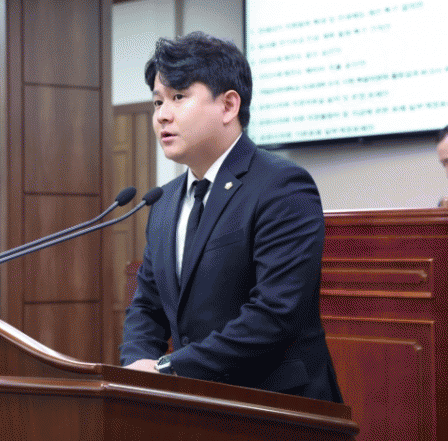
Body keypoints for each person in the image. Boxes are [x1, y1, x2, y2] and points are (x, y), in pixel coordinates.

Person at [120, 32, 343, 403]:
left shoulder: (282, 186)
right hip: (196, 406)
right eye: (158, 101)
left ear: (228, 106)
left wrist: (170, 368)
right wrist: (136, 365)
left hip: (277, 406)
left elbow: (274, 314)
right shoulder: (164, 201)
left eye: (178, 97)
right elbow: (147, 306)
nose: (162, 115)